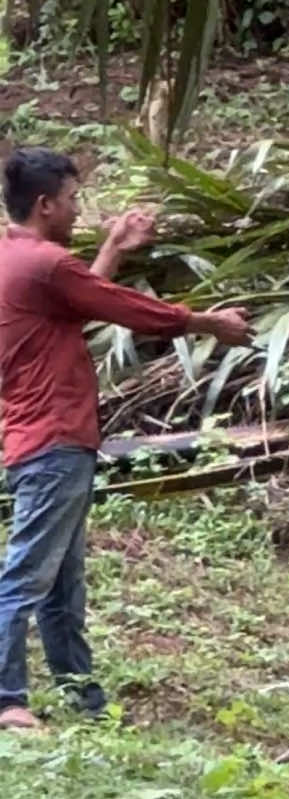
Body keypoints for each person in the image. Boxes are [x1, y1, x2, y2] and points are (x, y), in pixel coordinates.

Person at [0, 146, 253, 729]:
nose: (76, 208)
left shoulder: (24, 261)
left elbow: (81, 301)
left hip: (45, 439)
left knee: (63, 586)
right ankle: (8, 699)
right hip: (54, 439)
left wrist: (113, 247)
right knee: (28, 576)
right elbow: (122, 308)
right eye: (71, 200)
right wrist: (208, 322)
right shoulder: (45, 263)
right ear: (45, 204)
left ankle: (83, 700)